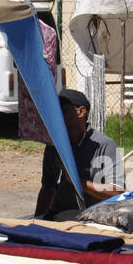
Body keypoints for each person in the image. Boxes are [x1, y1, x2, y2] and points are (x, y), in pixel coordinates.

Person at [34, 88, 124, 219]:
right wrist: (35, 222)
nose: (56, 116)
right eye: (54, 111)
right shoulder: (54, 145)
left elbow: (116, 192)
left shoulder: (104, 144)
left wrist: (77, 182)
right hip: (59, 212)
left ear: (81, 112)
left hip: (91, 215)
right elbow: (48, 188)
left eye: (62, 111)